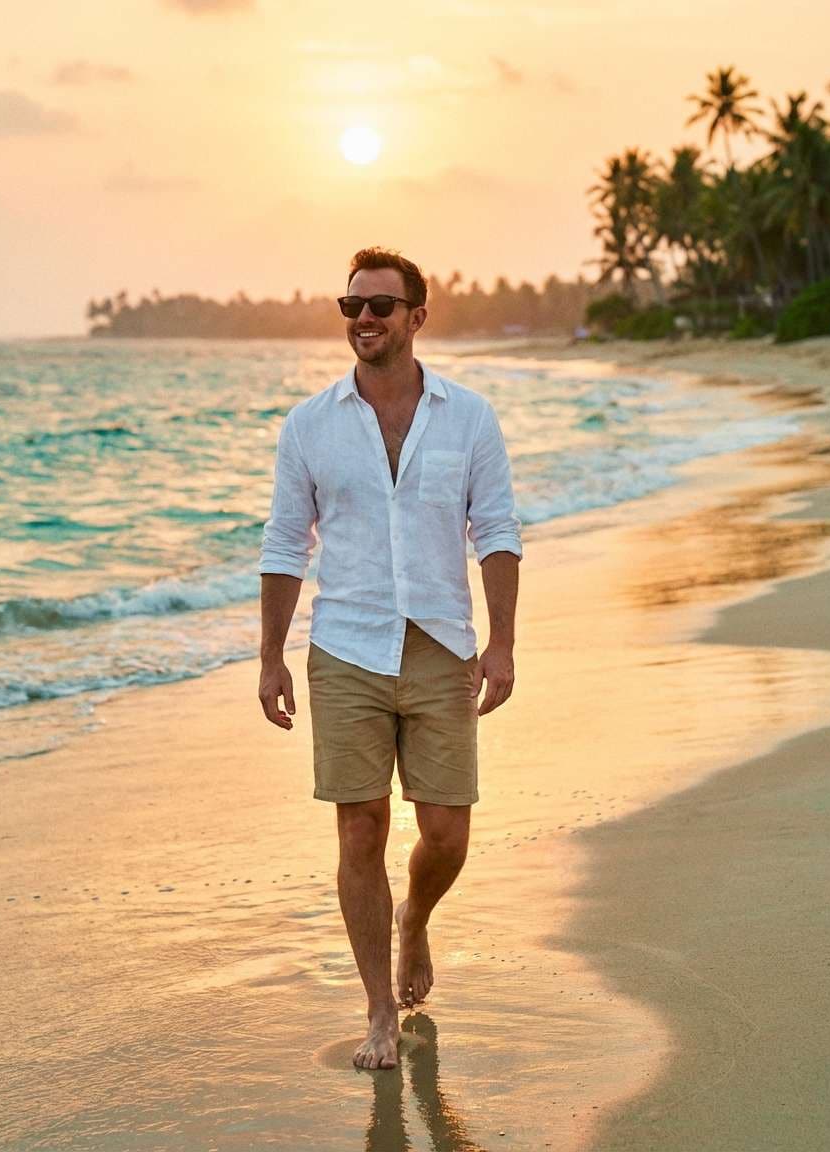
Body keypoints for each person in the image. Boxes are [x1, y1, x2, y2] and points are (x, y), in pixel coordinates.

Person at [257, 247, 522, 1071]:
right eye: (351, 306)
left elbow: (499, 532)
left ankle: (417, 919)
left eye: (379, 306)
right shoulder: (309, 425)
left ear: (417, 316)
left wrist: (503, 641)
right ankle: (378, 1009)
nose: (363, 319)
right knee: (360, 826)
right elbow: (283, 545)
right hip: (344, 646)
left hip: (443, 643)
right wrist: (271, 657)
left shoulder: (469, 417)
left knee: (445, 833)